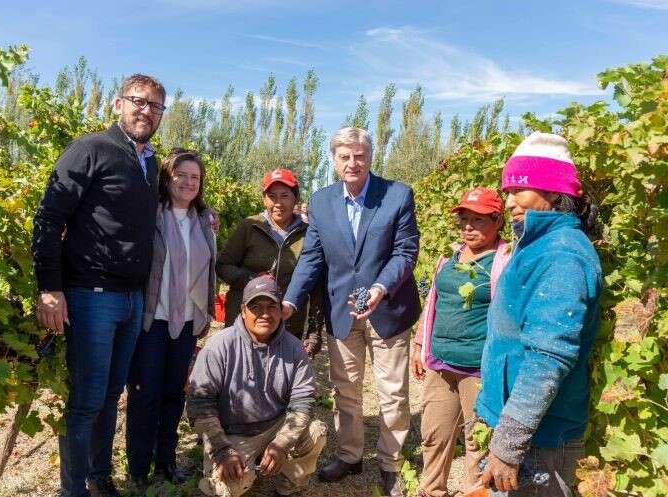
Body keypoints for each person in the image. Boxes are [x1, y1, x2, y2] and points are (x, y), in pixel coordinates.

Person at [33, 74, 166, 497]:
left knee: (111, 396)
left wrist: (205, 214)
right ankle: (72, 490)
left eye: (155, 106)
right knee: (87, 401)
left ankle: (99, 477)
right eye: (138, 101)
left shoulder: (150, 164)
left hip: (132, 298)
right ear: (118, 104)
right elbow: (49, 217)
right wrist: (49, 288)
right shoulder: (90, 149)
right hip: (91, 296)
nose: (146, 111)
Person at [282, 127, 421, 497]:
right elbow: (312, 258)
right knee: (346, 390)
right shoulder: (322, 201)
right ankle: (350, 455)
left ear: (370, 157)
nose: (352, 163)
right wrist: (290, 300)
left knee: (391, 392)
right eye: (344, 156)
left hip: (388, 307)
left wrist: (379, 287)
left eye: (359, 155)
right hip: (341, 310)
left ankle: (390, 463)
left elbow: (405, 252)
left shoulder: (397, 195)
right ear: (334, 160)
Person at [475, 132, 602, 497]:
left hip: (542, 439)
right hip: (529, 429)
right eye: (508, 191)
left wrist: (509, 444)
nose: (510, 201)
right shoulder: (539, 245)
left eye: (519, 190)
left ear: (551, 191)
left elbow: (548, 358)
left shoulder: (561, 256)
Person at [125, 148, 217, 492]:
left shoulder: (205, 221)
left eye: (195, 177)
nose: (189, 182)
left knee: (173, 395)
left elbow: (208, 270)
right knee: (144, 395)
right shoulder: (150, 215)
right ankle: (137, 467)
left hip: (188, 321)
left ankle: (166, 462)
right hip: (153, 320)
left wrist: (207, 310)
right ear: (167, 177)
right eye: (182, 175)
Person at [186, 275, 327, 497]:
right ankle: (246, 466)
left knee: (315, 433)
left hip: (276, 425)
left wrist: (282, 443)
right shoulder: (218, 346)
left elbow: (303, 401)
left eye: (271, 306)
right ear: (243, 310)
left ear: (281, 311)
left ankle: (289, 486)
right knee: (220, 490)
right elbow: (199, 404)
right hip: (233, 434)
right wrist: (223, 450)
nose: (264, 314)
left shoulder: (294, 348)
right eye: (256, 307)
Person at [411, 187, 510, 497]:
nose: (468, 226)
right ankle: (431, 491)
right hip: (441, 363)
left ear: (498, 221)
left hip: (478, 370)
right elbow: (434, 302)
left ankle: (474, 493)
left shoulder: (504, 261)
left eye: (478, 220)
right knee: (434, 433)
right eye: (464, 219)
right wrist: (419, 345)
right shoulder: (449, 257)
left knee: (477, 442)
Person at [216, 168, 323, 357]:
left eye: (285, 196)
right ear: (264, 199)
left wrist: (314, 332)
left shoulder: (309, 234)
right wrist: (253, 281)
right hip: (245, 323)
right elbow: (223, 265)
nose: (278, 203)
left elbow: (316, 284)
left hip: (288, 326)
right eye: (272, 196)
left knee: (280, 381)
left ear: (296, 199)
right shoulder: (250, 226)